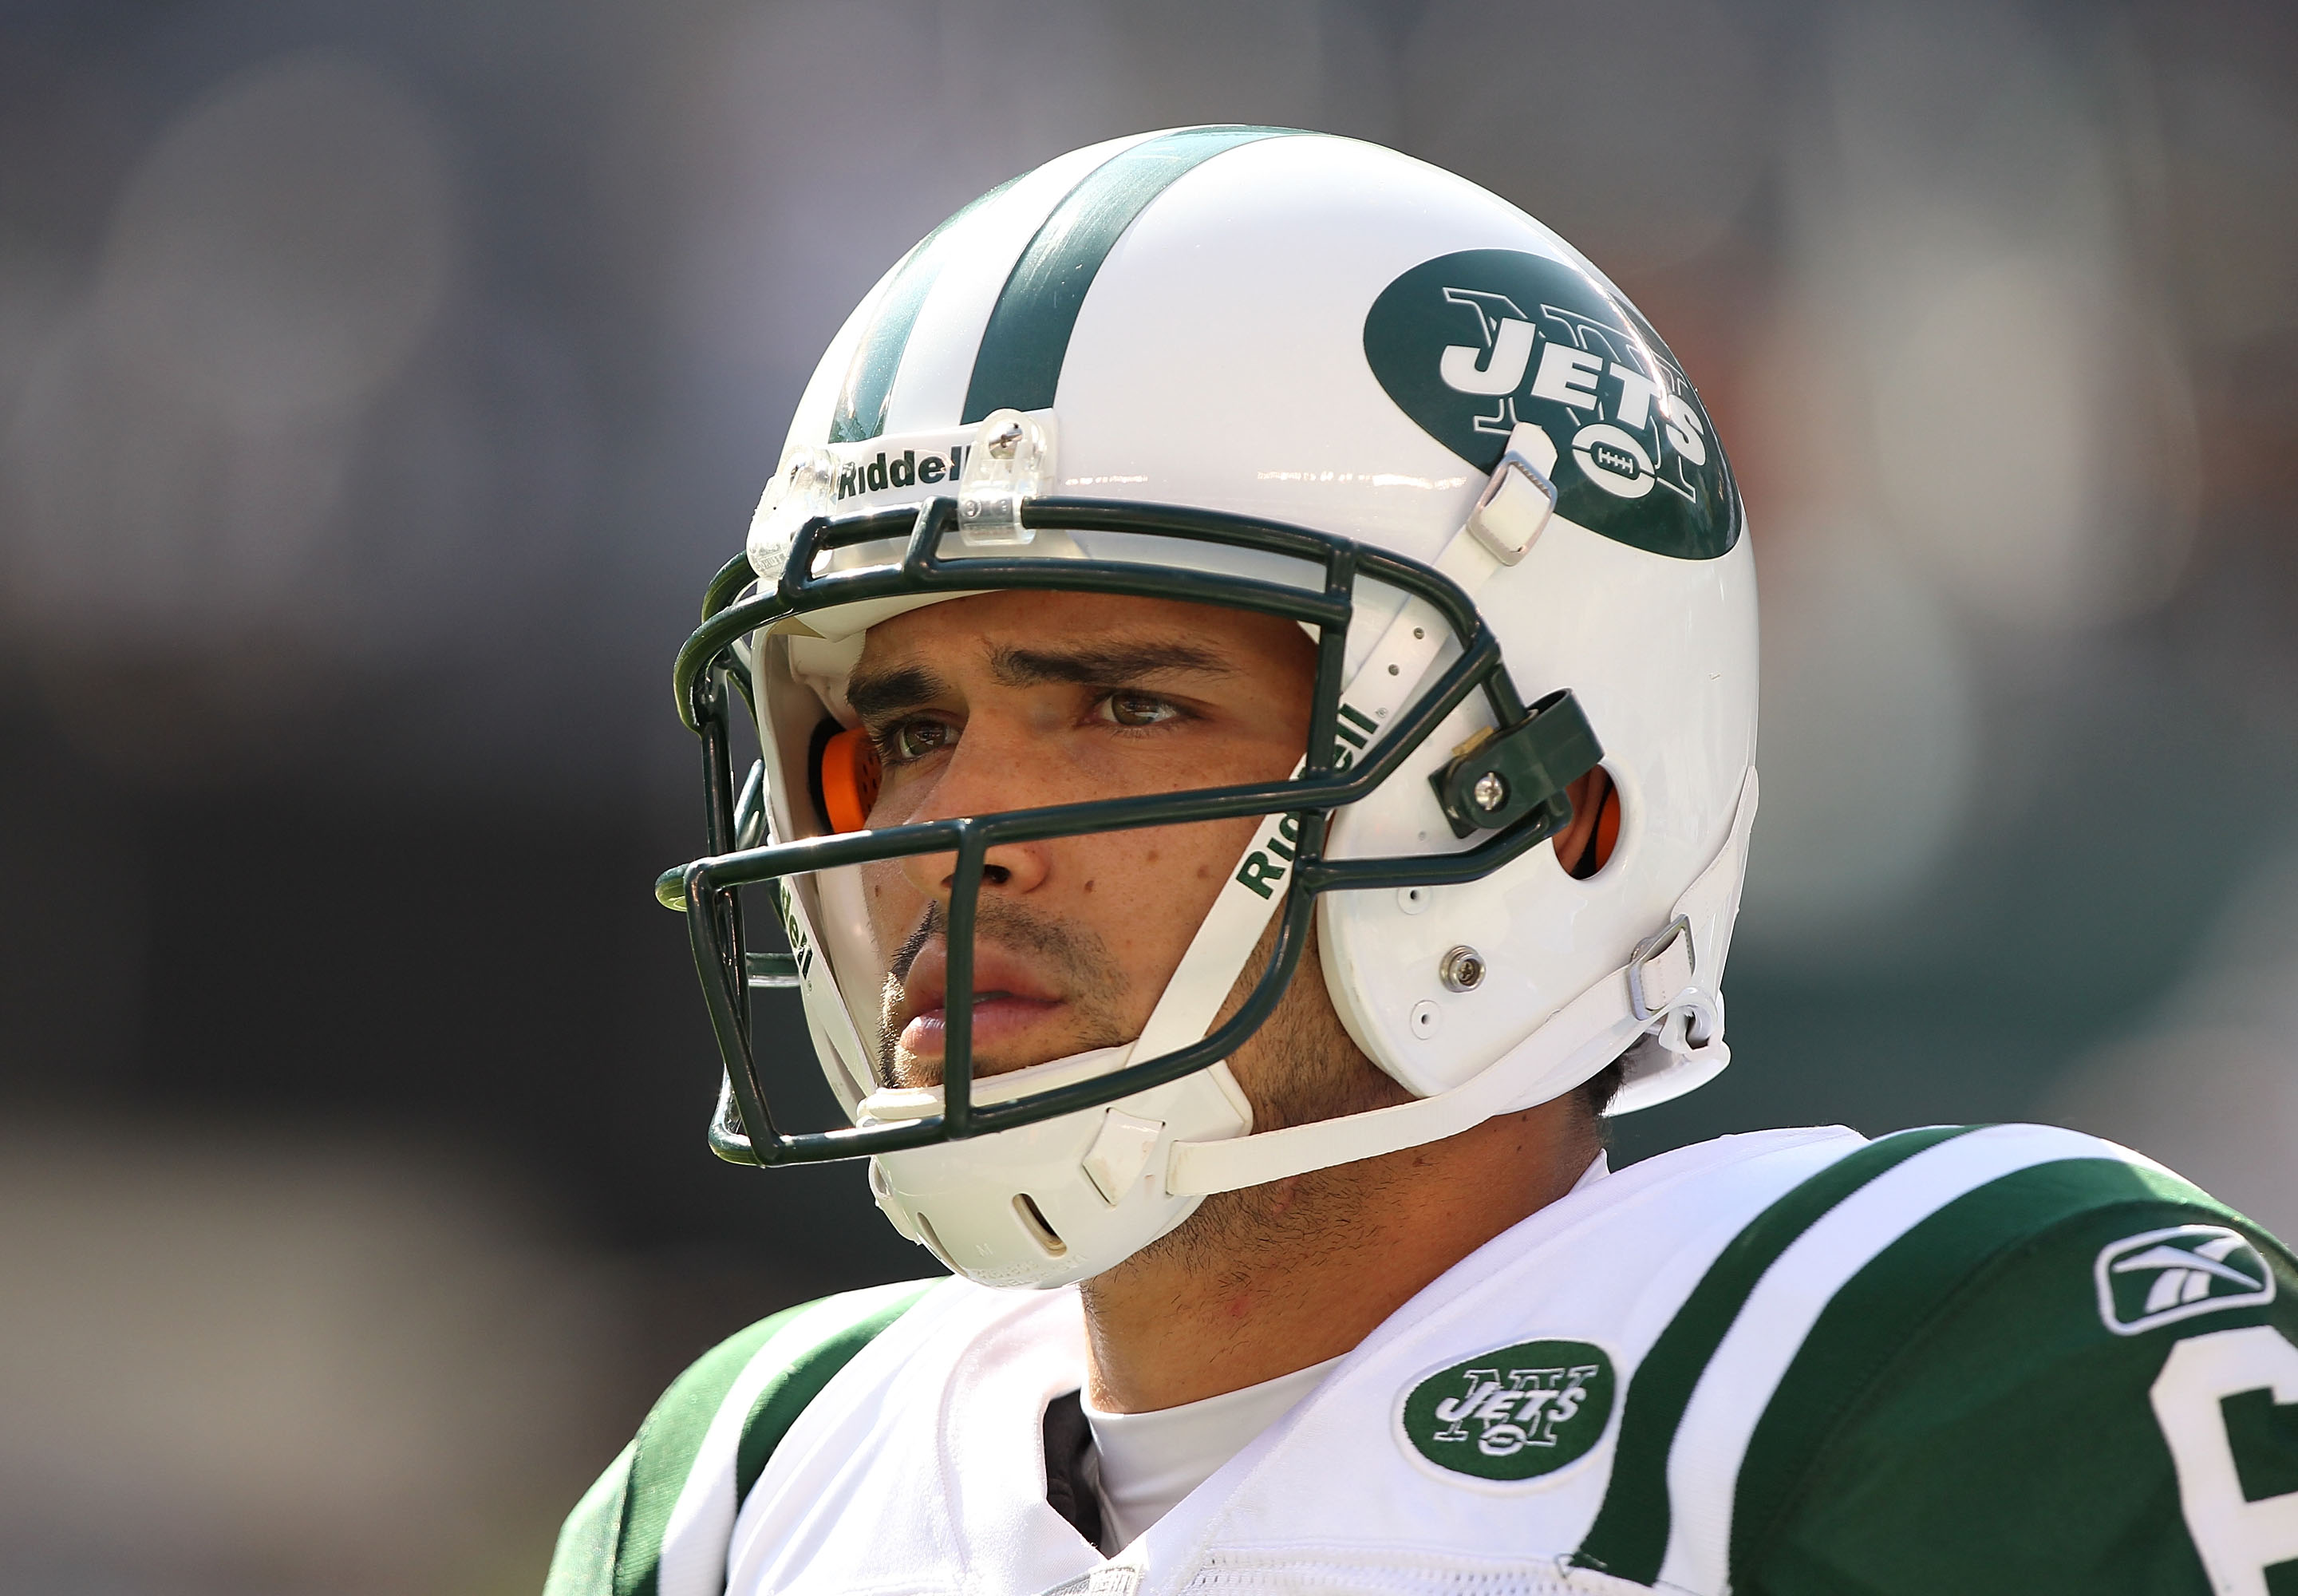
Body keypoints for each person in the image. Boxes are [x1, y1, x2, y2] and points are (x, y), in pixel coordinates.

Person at [547, 128, 2298, 1596]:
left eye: (1127, 702)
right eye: (907, 728)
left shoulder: (1903, 1378)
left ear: (1551, 799)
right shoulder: (746, 1496)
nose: (945, 834)